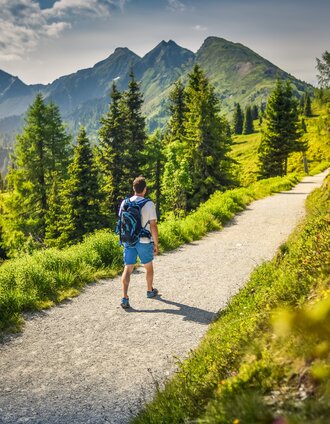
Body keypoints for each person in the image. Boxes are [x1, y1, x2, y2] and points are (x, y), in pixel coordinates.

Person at [119, 176, 159, 309]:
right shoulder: (149, 204)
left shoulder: (124, 203)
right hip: (144, 240)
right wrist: (156, 243)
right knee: (148, 267)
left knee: (128, 268)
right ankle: (149, 290)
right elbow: (153, 225)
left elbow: (121, 222)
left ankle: (124, 298)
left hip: (129, 240)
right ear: (145, 189)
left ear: (133, 188)